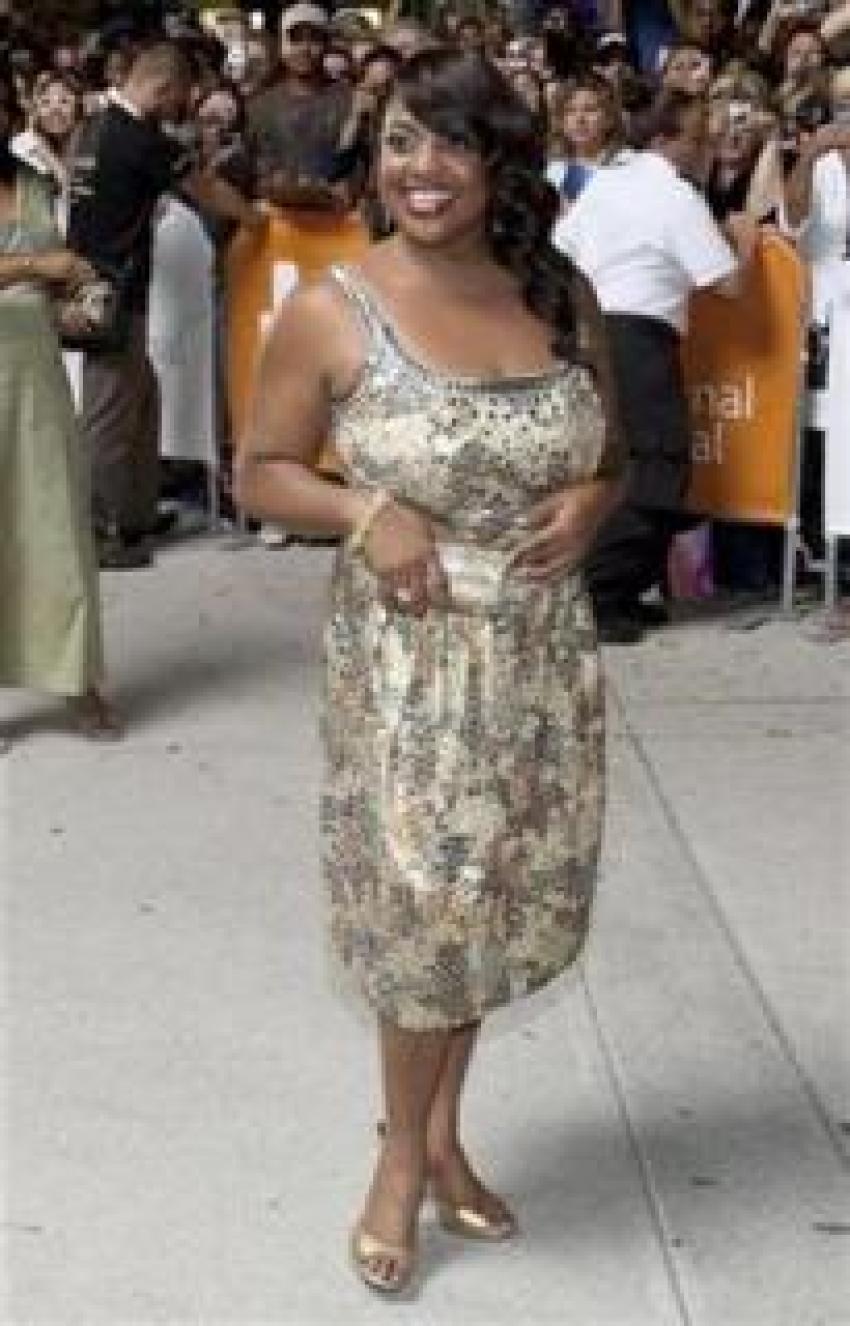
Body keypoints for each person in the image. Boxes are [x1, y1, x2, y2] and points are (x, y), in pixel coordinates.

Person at [236, 48, 625, 1296]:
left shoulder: (556, 289)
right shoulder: (332, 308)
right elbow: (261, 471)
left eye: (450, 142)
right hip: (409, 667)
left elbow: (611, 447)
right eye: (401, 141)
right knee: (424, 920)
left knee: (487, 916)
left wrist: (594, 502)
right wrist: (362, 515)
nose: (421, 168)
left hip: (537, 662)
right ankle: (400, 1165)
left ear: (499, 157)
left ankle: (445, 1138)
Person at [555, 91, 754, 641]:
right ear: (665, 140)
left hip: (588, 331)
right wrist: (748, 241)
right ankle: (602, 592)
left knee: (613, 465)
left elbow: (560, 249)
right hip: (637, 334)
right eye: (696, 138)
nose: (705, 149)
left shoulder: (605, 185)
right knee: (657, 464)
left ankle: (617, 590)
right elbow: (728, 283)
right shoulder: (674, 195)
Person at [67, 40, 263, 570]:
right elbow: (203, 187)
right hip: (113, 292)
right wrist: (254, 219)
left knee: (142, 400)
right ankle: (100, 532)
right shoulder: (136, 138)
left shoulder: (92, 128)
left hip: (93, 286)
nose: (183, 105)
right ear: (162, 87)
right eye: (180, 96)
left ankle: (135, 514)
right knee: (109, 415)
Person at [0, 110, 118, 738]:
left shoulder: (35, 181)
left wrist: (75, 288)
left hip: (36, 378)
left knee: (55, 525)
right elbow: (42, 265)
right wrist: (34, 268)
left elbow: (60, 271)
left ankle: (80, 680)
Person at [247, 3, 360, 212]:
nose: (304, 49)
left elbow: (362, 165)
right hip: (276, 219)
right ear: (281, 44)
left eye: (314, 39)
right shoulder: (259, 105)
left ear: (326, 44)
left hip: (337, 219)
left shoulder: (350, 99)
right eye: (295, 39)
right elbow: (251, 167)